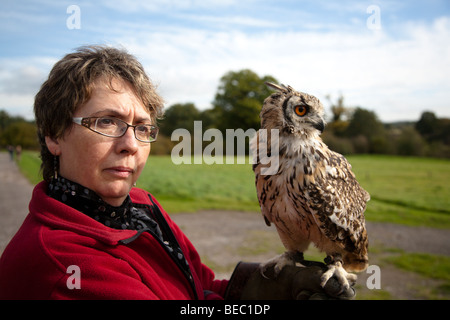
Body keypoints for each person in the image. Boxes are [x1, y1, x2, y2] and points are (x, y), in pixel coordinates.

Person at [0, 45, 355, 300]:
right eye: (107, 122)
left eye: (142, 127)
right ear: (53, 135)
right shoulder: (67, 267)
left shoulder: (140, 206)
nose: (130, 143)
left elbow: (197, 289)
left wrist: (255, 287)